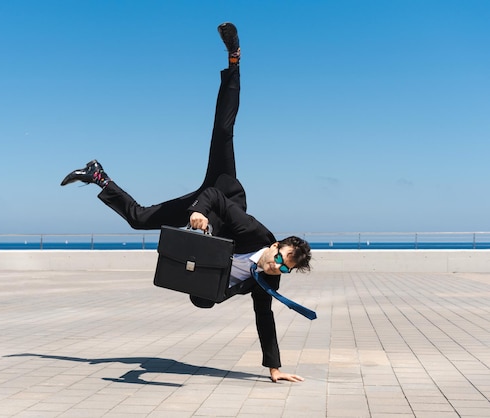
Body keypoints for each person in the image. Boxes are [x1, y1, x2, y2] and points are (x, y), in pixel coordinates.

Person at [60, 23, 312, 383]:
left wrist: (274, 368)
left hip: (204, 229)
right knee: (223, 132)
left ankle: (98, 176)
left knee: (139, 219)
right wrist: (197, 211)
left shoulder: (266, 282)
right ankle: (234, 59)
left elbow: (264, 317)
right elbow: (215, 201)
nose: (277, 268)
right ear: (276, 245)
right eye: (280, 259)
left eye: (284, 270)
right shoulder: (253, 231)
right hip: (220, 192)